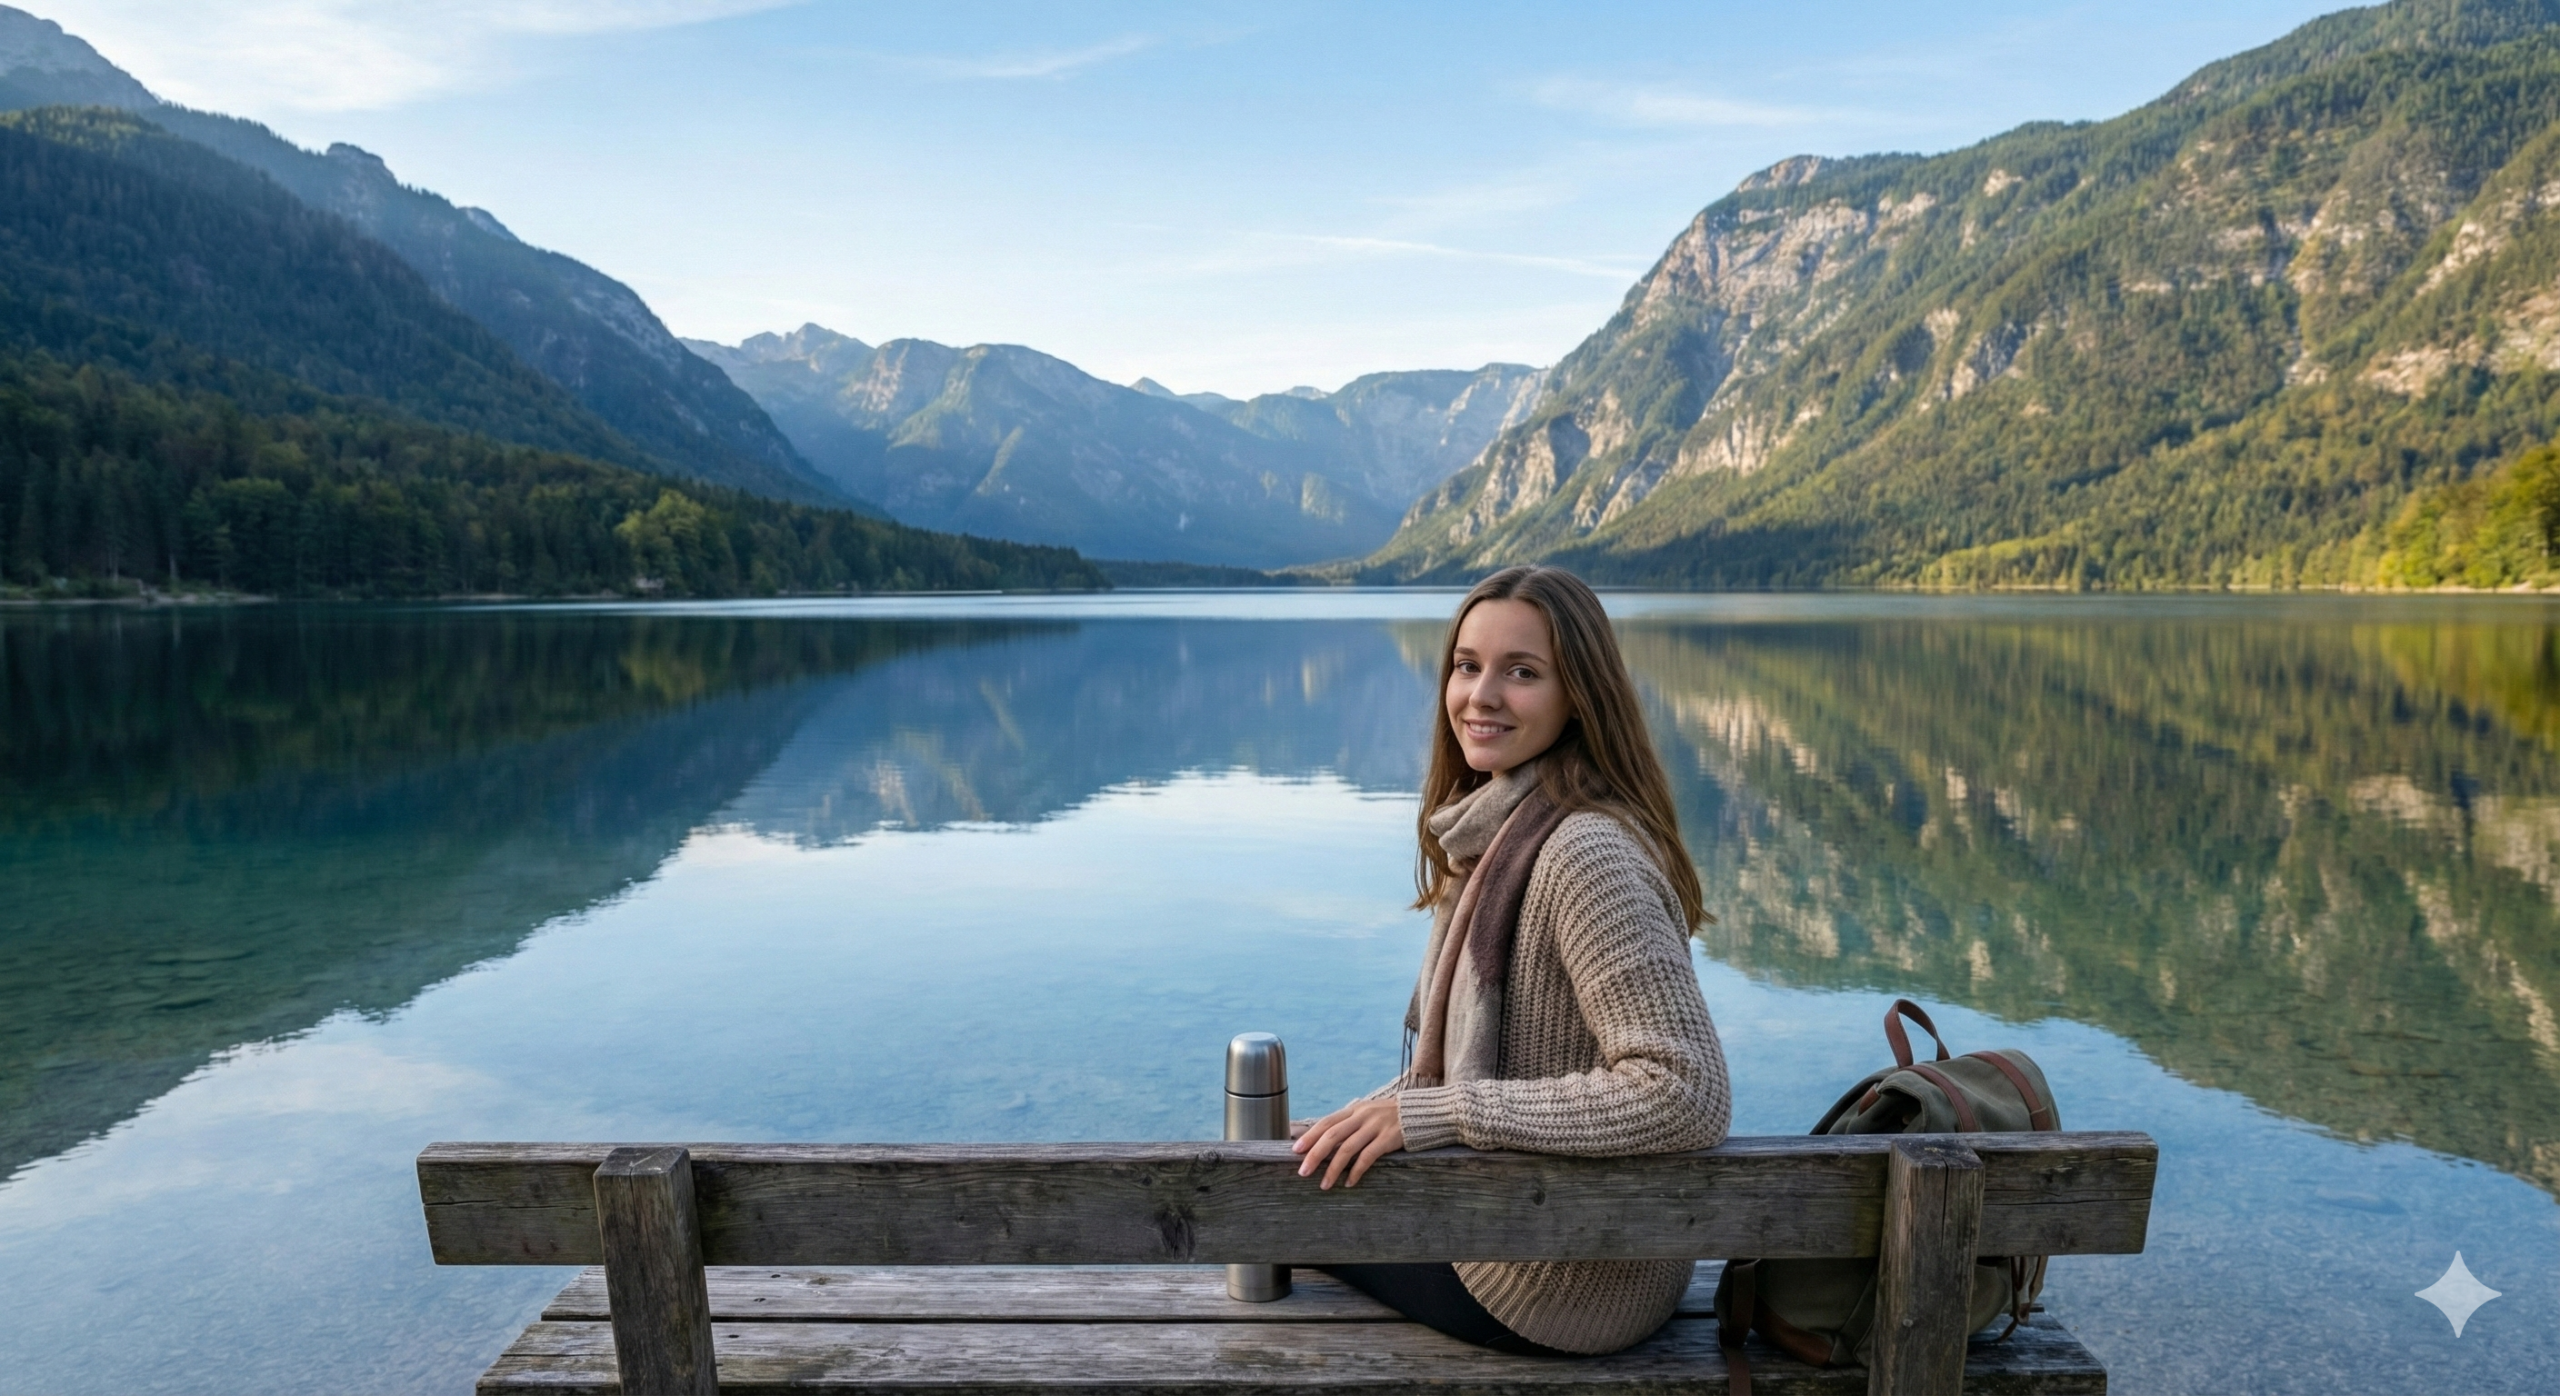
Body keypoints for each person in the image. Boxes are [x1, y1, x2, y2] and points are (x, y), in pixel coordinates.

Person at [1289, 564, 1732, 1356]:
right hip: (1549, 1235)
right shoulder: (1497, 831)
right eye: (1467, 666)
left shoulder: (1584, 852)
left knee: (1268, 1215)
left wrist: (1440, 1113)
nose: (1480, 696)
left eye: (1521, 673)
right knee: (1297, 1165)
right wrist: (1371, 1112)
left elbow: (1684, 1092)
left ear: (1579, 696)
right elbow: (1458, 1075)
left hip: (1561, 1283)